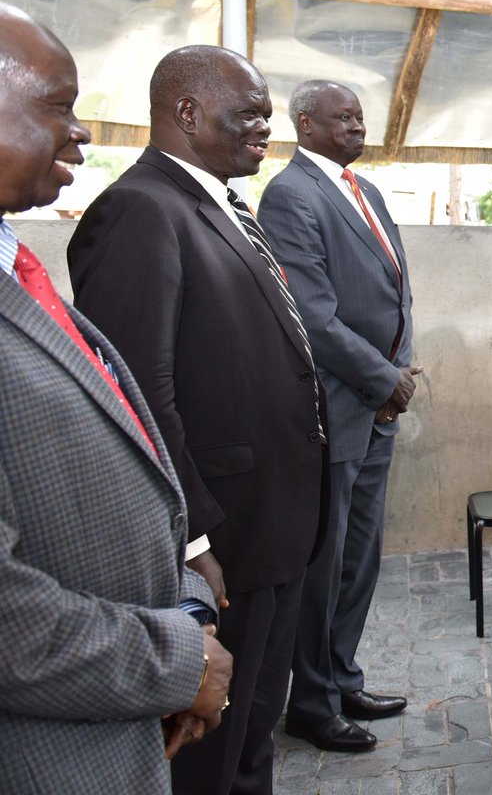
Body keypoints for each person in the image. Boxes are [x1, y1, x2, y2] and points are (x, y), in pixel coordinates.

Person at [67, 45, 327, 795]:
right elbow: (136, 396)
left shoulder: (221, 204)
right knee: (212, 751)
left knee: (252, 730)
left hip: (271, 525)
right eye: (249, 114)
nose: (266, 130)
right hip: (223, 537)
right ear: (186, 112)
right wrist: (192, 539)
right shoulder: (139, 210)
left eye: (268, 116)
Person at [0, 6, 232, 793]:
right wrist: (177, 660)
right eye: (57, 106)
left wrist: (187, 602)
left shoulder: (17, 270)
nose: (81, 132)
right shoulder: (138, 211)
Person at [257, 80, 416, 753]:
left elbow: (395, 293)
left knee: (360, 558)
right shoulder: (291, 195)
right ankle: (312, 704)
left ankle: (343, 677)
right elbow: (313, 316)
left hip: (379, 407)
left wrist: (398, 372)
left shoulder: (364, 190)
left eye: (359, 116)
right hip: (335, 407)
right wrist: (384, 379)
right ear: (304, 123)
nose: (356, 126)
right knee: (324, 565)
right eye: (342, 117)